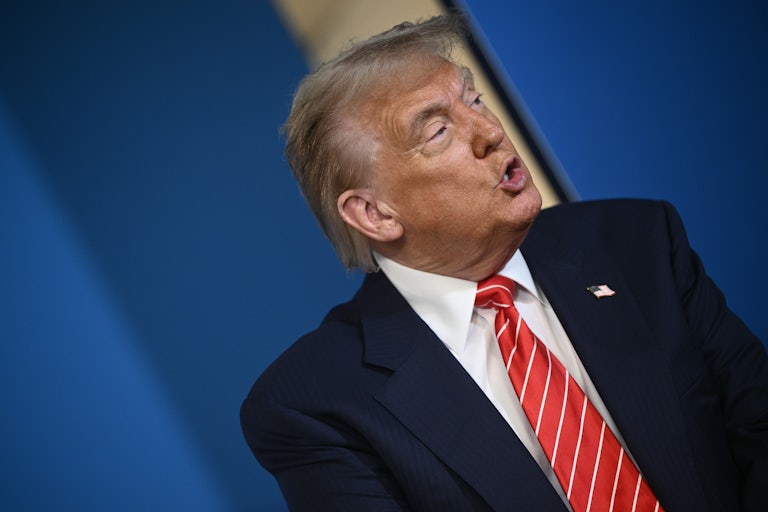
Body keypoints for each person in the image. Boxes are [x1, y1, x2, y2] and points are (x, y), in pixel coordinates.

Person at [240, 14, 768, 511]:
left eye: (474, 99)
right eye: (438, 131)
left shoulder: (637, 242)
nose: (489, 131)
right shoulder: (315, 401)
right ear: (375, 214)